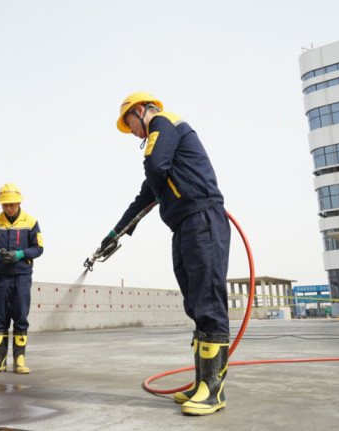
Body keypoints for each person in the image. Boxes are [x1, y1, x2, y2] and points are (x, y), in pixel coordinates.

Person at [98, 92, 231, 416]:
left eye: (129, 123)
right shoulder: (163, 158)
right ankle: (202, 382)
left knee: (208, 302)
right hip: (185, 225)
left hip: (203, 218)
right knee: (196, 304)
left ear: (140, 111)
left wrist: (156, 179)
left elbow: (155, 166)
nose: (131, 131)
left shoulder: (164, 122)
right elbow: (144, 197)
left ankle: (214, 392)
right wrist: (115, 234)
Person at [0, 183, 44, 374]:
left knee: (20, 317)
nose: (9, 208)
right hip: (0, 276)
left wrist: (20, 255)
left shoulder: (31, 222)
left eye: (12, 205)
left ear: (18, 202)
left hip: (22, 276)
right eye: (5, 205)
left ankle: (19, 361)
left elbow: (38, 248)